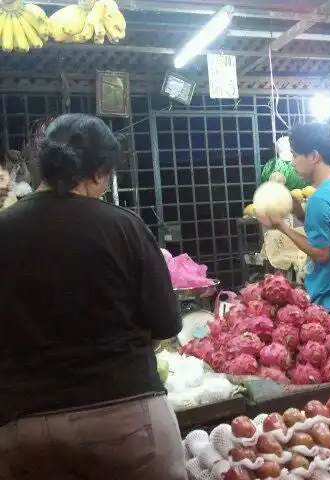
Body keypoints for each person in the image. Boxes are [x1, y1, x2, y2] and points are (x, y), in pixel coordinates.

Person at [0, 114, 186, 480]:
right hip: (123, 419)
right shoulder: (123, 226)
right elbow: (165, 323)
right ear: (99, 173)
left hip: (23, 426)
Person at [257, 122, 330, 331]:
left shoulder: (320, 199)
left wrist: (283, 227)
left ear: (314, 156)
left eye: (295, 155)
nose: (292, 163)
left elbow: (321, 253)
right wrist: (299, 212)